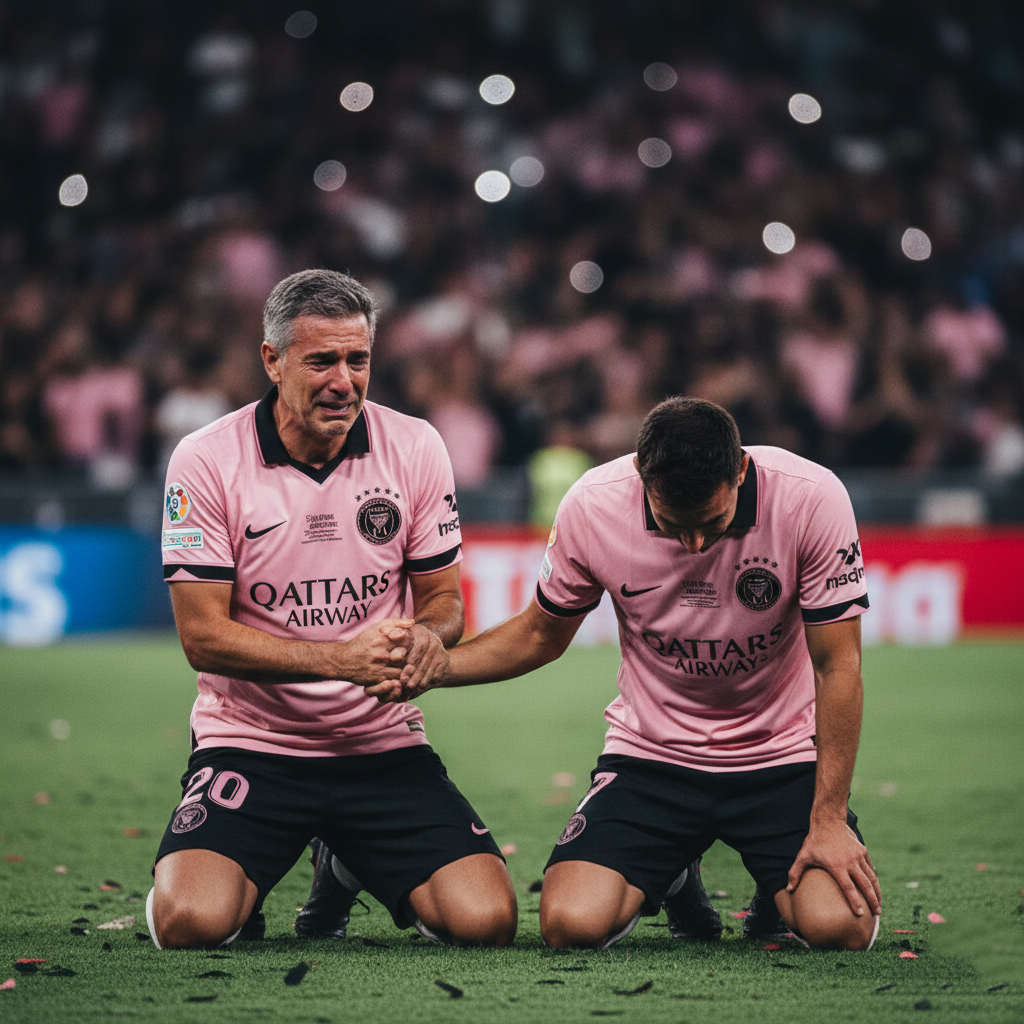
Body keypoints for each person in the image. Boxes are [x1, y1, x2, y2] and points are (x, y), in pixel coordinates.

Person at [371, 396, 881, 951]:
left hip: (780, 758)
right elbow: (539, 635)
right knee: (570, 926)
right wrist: (436, 667)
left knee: (841, 929)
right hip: (652, 759)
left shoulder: (810, 497)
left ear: (740, 470)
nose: (693, 545)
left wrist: (828, 818)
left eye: (710, 523)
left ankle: (771, 885)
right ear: (641, 476)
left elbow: (838, 664)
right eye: (672, 525)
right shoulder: (594, 504)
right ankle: (677, 872)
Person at [148, 269, 517, 949]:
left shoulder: (414, 445)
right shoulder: (205, 460)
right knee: (191, 925)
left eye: (358, 359)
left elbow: (443, 601)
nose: (343, 380)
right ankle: (252, 870)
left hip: (380, 743)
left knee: (486, 922)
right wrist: (340, 660)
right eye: (321, 360)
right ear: (273, 360)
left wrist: (428, 641)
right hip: (253, 745)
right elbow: (202, 637)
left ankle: (343, 862)